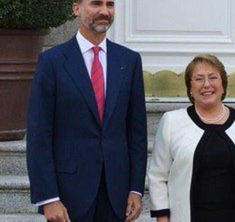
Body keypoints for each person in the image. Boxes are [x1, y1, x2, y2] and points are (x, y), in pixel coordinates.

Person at [26, 0, 147, 221]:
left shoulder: (129, 61)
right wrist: (49, 198)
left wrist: (136, 190)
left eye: (110, 5)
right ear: (76, 8)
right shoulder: (52, 62)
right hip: (68, 193)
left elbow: (136, 133)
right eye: (96, 4)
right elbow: (39, 134)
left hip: (116, 193)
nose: (104, 11)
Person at [148, 54, 235, 222]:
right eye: (198, 79)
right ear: (190, 87)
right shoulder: (172, 122)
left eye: (213, 78)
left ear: (223, 84)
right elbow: (157, 177)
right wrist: (162, 218)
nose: (206, 84)